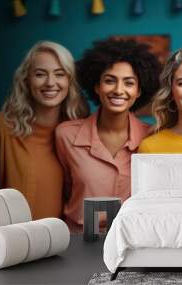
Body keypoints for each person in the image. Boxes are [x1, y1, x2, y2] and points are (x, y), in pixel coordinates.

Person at [55, 39, 161, 232]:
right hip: (77, 243)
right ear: (96, 86)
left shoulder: (152, 139)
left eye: (129, 83)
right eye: (110, 80)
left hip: (131, 242)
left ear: (139, 91)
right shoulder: (66, 135)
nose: (118, 90)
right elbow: (64, 190)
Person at [0, 41, 89, 220]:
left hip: (61, 242)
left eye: (59, 74)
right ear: (26, 79)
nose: (50, 83)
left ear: (70, 81)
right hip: (10, 242)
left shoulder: (78, 133)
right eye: (40, 74)